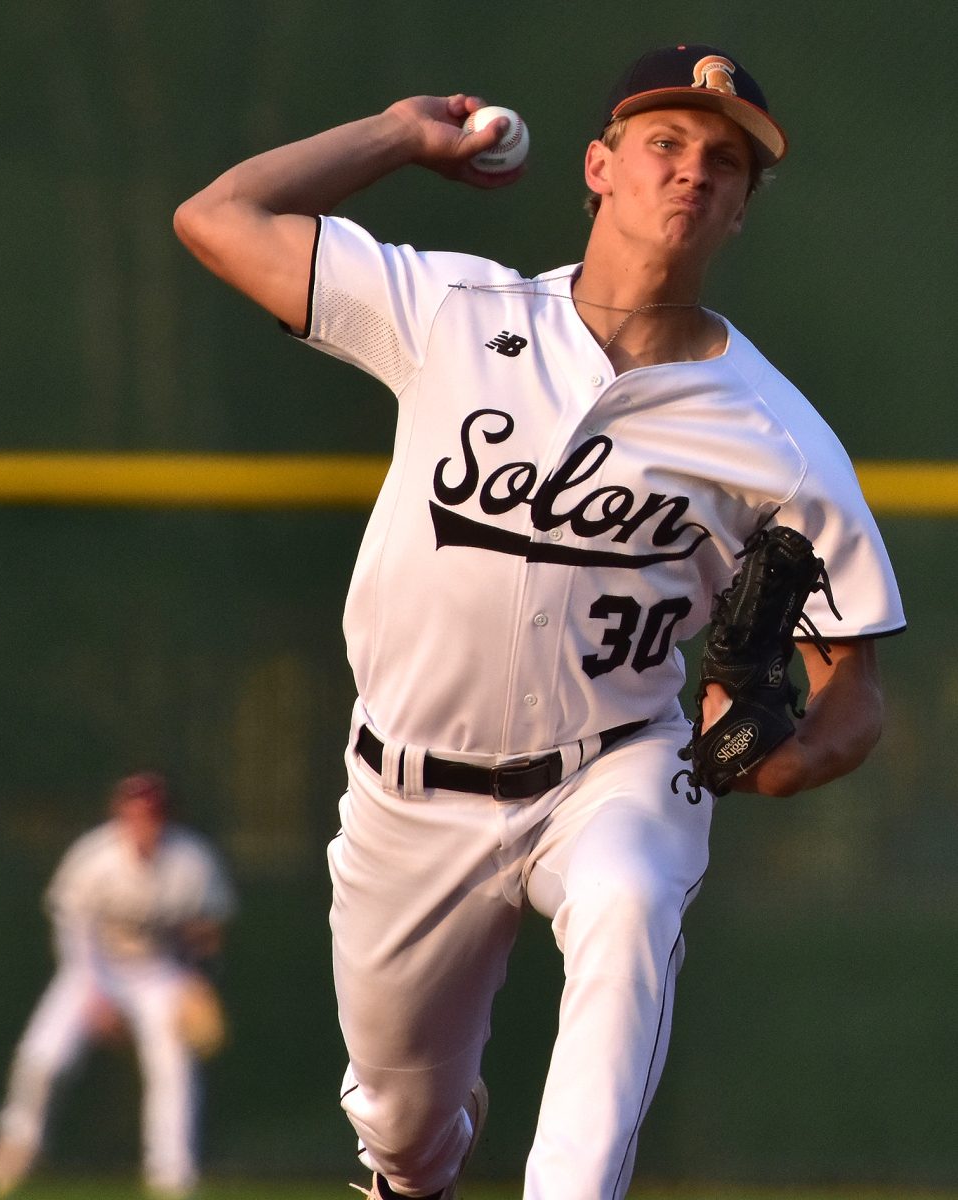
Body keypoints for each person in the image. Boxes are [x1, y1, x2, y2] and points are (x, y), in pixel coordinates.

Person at [172, 43, 905, 1200]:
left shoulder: (777, 437)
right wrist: (400, 135)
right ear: (599, 167)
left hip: (614, 766)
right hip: (407, 788)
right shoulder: (450, 311)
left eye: (725, 164)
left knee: (628, 901)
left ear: (742, 212)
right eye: (665, 144)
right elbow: (220, 218)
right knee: (404, 1134)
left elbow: (852, 688)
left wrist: (786, 760)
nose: (693, 173)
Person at [0, 772, 237, 1200]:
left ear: (165, 817)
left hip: (159, 973)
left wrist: (196, 980)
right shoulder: (95, 856)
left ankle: (172, 1177)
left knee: (172, 1068)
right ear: (120, 814)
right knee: (42, 1056)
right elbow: (72, 930)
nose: (142, 822)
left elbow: (210, 930)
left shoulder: (192, 861)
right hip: (93, 967)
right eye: (133, 812)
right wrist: (94, 996)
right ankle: (18, 1145)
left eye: (151, 814)